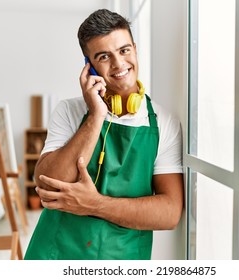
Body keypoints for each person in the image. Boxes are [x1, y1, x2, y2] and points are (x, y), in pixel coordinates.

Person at [24, 8, 183, 260]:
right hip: (55, 254)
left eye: (124, 50)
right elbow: (48, 183)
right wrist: (96, 114)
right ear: (89, 67)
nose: (119, 64)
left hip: (122, 259)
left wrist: (93, 203)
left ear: (135, 49)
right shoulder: (70, 111)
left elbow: (170, 212)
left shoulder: (164, 123)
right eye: (104, 56)